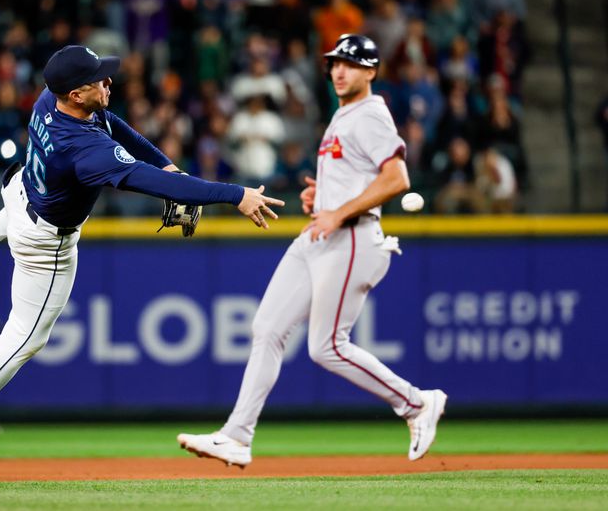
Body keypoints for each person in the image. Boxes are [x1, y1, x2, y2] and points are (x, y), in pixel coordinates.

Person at [0, 44, 285, 480]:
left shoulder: (49, 99)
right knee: (24, 338)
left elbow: (116, 127)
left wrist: (170, 167)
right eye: (98, 79)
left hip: (21, 196)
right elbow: (142, 179)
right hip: (43, 244)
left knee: (27, 202)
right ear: (76, 94)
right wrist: (236, 194)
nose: (108, 82)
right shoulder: (84, 150)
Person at [177, 34, 447, 468]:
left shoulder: (371, 115)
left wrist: (337, 211)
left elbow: (397, 179)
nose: (340, 70)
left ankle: (417, 404)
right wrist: (323, 199)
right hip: (322, 234)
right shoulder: (344, 114)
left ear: (371, 72)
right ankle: (236, 437)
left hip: (354, 236)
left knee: (327, 347)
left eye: (352, 64)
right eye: (336, 63)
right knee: (266, 328)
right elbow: (358, 177)